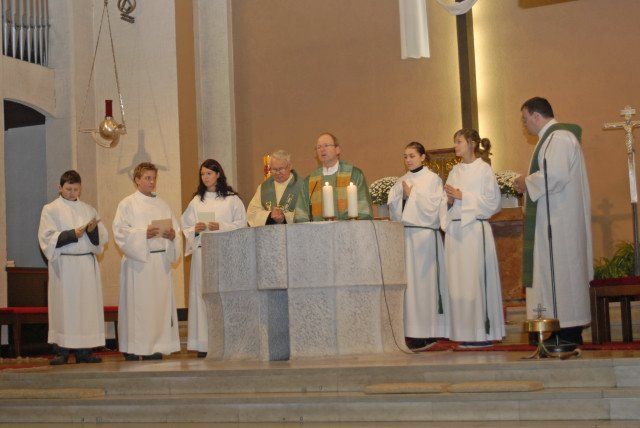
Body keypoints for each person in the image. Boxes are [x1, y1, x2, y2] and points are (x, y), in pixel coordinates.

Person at [513, 97, 592, 350]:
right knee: (553, 274)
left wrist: (526, 182)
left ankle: (568, 332)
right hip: (554, 221)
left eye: (525, 119)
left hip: (560, 225)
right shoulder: (551, 139)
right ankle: (560, 331)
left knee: (562, 274)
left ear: (537, 116)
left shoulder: (559, 138)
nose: (524, 125)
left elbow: (554, 176)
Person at [112, 162, 182, 361]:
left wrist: (172, 237)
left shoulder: (163, 205)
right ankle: (135, 348)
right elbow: (120, 232)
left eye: (153, 178)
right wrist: (143, 234)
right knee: (139, 309)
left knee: (158, 309)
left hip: (160, 263)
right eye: (147, 178)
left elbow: (177, 232)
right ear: (137, 180)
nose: (152, 182)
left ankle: (155, 347)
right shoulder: (127, 204)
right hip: (139, 265)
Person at [38, 170, 109, 365]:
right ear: (60, 188)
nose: (72, 193)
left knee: (86, 308)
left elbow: (102, 239)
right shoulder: (50, 209)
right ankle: (61, 352)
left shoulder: (89, 210)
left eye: (75, 189)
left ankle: (84, 352)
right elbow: (46, 237)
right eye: (68, 189)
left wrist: (92, 232)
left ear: (80, 189)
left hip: (85, 265)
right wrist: (71, 234)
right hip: (64, 265)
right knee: (64, 308)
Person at [443, 129, 504, 348]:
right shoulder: (455, 171)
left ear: (471, 143)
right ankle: (464, 332)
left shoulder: (483, 169)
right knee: (458, 284)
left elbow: (493, 203)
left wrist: (463, 196)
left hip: (474, 232)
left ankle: (481, 333)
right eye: (454, 142)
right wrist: (449, 201)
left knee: (475, 282)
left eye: (459, 141)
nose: (455, 146)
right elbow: (445, 202)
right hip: (456, 233)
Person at [182, 159, 247, 357]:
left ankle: (227, 342)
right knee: (202, 296)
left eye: (209, 173)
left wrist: (222, 226)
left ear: (218, 174)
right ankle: (203, 344)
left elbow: (242, 225)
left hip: (224, 254)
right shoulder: (196, 201)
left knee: (223, 296)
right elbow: (185, 226)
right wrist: (195, 229)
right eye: (202, 174)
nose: (205, 177)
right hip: (202, 254)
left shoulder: (232, 199)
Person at [388, 142, 449, 351]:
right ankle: (413, 332)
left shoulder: (433, 179)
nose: (408, 160)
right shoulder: (401, 181)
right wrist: (403, 197)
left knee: (425, 285)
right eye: (405, 156)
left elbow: (434, 207)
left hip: (425, 237)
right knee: (411, 286)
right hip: (407, 237)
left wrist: (412, 196)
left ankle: (430, 331)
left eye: (412, 156)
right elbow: (394, 209)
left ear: (423, 157)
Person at [294, 132, 373, 222]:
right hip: (318, 230)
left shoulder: (354, 175)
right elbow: (301, 213)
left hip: (349, 229)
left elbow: (363, 209)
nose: (322, 150)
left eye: (326, 145)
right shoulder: (310, 181)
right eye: (318, 147)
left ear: (337, 150)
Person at [247, 150, 301, 226]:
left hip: (294, 231)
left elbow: (305, 213)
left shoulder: (301, 186)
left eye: (281, 169)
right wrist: (269, 215)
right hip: (270, 231)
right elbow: (252, 213)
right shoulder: (263, 188)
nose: (278, 173)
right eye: (274, 169)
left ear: (290, 166)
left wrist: (284, 217)